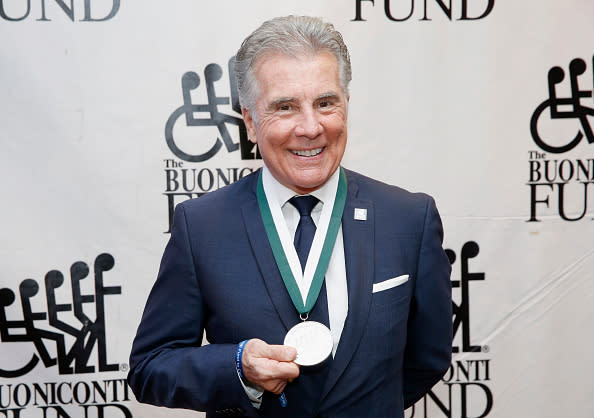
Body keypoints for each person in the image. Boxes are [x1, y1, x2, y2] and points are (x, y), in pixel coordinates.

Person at [128, 15, 452, 418]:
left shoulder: (408, 219)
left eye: (325, 103)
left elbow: (429, 358)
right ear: (249, 121)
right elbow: (149, 367)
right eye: (285, 107)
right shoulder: (201, 226)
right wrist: (237, 368)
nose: (311, 127)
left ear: (346, 105)